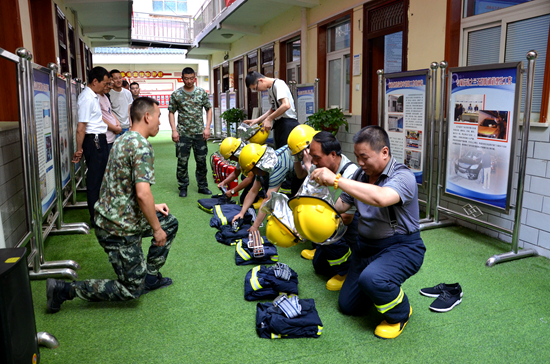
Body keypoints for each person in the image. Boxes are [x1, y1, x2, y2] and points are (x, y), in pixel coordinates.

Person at [47, 97, 179, 313]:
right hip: (116, 228)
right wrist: (156, 229)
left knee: (170, 223)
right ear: (147, 117)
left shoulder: (122, 139)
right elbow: (142, 193)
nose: (160, 123)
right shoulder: (141, 146)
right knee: (131, 290)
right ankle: (64, 290)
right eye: (158, 117)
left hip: (115, 217)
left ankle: (151, 276)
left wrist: (153, 208)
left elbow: (123, 184)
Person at [311, 125, 425, 340]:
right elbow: (341, 205)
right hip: (366, 248)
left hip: (401, 248)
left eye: (364, 157)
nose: (360, 163)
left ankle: (400, 312)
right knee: (348, 306)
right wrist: (312, 213)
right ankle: (377, 286)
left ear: (384, 152)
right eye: (356, 157)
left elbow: (380, 197)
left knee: (373, 280)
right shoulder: (361, 175)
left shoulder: (404, 176)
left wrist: (336, 179)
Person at [295, 131, 359, 291]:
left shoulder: (351, 174)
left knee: (324, 230)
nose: (314, 162)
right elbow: (305, 192)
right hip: (329, 213)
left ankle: (346, 270)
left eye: (317, 157)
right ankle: (332, 253)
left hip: (351, 224)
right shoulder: (318, 167)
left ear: (332, 155)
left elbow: (346, 218)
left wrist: (311, 227)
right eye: (312, 157)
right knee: (319, 267)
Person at [72, 66, 111, 226]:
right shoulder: (87, 98)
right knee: (94, 180)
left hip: (98, 140)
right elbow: (81, 128)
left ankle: (101, 213)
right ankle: (95, 218)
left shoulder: (93, 96)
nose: (106, 86)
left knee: (101, 178)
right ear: (95, 81)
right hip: (93, 142)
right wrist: (79, 149)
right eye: (105, 83)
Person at [232, 143, 300, 232]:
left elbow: (267, 199)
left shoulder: (277, 166)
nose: (253, 172)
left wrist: (255, 226)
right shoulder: (263, 163)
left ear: (257, 165)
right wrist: (241, 213)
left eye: (252, 170)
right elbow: (253, 190)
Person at [168, 67, 213, 198]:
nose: (189, 81)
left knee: (201, 161)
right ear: (182, 78)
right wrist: (174, 130)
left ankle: (202, 186)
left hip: (200, 133)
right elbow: (171, 112)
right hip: (183, 134)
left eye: (191, 78)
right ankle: (183, 186)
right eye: (186, 79)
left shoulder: (201, 92)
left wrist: (207, 127)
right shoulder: (176, 94)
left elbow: (208, 109)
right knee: (182, 161)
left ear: (195, 78)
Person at [244, 71, 299, 149]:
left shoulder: (279, 84)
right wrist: (257, 120)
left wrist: (269, 119)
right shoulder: (270, 88)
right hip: (279, 124)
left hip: (288, 124)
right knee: (279, 154)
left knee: (286, 156)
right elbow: (274, 109)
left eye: (256, 88)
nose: (258, 91)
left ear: (260, 80)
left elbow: (286, 105)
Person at [98, 77, 122, 152]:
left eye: (110, 84)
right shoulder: (95, 98)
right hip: (105, 138)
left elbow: (109, 111)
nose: (108, 86)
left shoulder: (105, 96)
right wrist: (115, 128)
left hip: (112, 137)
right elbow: (99, 118)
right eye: (106, 84)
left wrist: (117, 123)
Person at [110, 69, 134, 136]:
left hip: (127, 127)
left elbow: (129, 110)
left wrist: (131, 125)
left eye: (120, 78)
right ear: (111, 80)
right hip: (115, 128)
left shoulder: (128, 93)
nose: (118, 80)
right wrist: (116, 126)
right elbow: (108, 111)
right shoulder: (109, 94)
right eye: (115, 78)